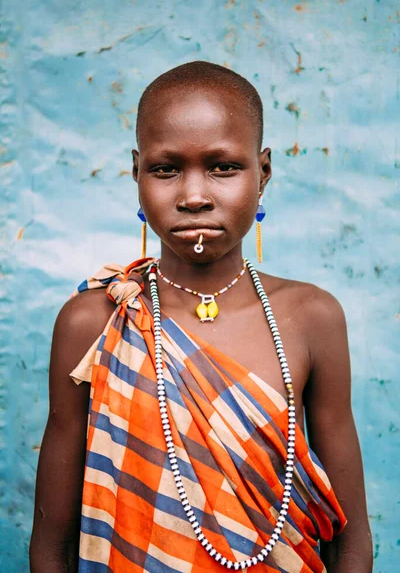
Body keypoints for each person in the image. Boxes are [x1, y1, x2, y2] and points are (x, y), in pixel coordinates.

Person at [30, 61, 372, 572]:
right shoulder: (93, 322)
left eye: (224, 167)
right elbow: (51, 542)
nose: (193, 196)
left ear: (264, 173)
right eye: (166, 169)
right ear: (137, 175)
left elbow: (351, 540)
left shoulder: (311, 318)